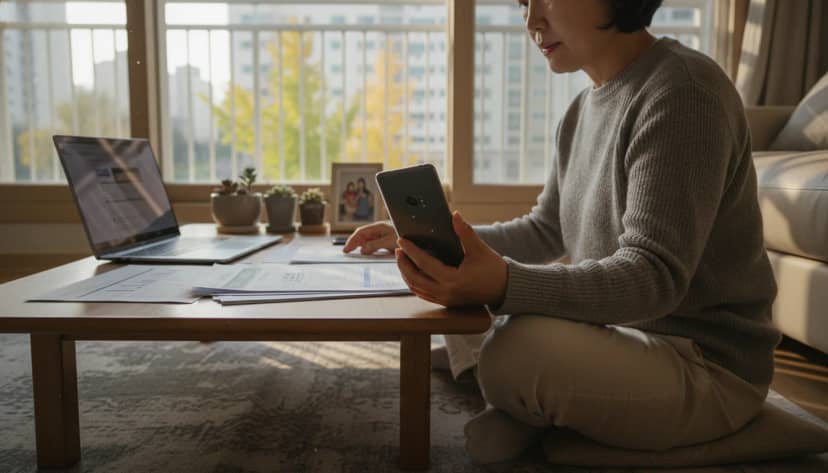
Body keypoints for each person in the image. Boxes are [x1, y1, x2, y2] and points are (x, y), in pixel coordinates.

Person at [343, 0, 780, 465]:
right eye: (524, 3)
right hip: (619, 335)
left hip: (701, 365)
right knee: (458, 296)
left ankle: (513, 394)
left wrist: (506, 284)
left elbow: (654, 276)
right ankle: (519, 397)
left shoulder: (684, 92)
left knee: (515, 348)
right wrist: (429, 242)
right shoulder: (580, 109)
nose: (531, 21)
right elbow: (545, 228)